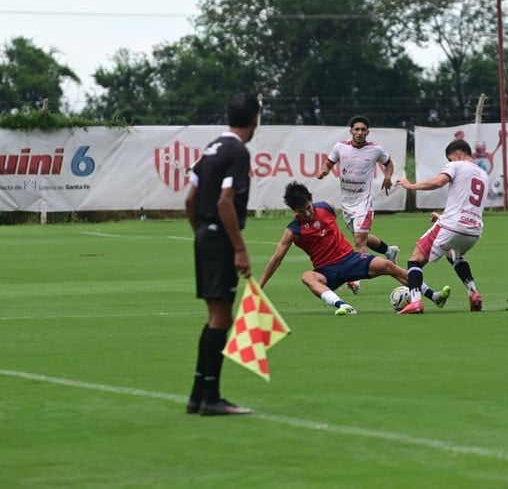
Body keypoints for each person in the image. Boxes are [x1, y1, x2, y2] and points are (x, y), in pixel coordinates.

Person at [259, 181, 449, 315]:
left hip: (351, 260)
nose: (308, 213)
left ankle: (434, 296)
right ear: (294, 211)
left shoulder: (326, 207)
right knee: (307, 277)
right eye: (302, 212)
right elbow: (276, 260)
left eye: (309, 207)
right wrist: (260, 286)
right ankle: (342, 306)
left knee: (387, 265)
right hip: (327, 272)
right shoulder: (293, 230)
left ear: (311, 199)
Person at [184, 93, 260, 417]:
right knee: (220, 318)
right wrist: (239, 248)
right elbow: (225, 201)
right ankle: (212, 399)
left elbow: (190, 199)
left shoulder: (211, 148)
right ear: (255, 119)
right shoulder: (237, 151)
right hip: (221, 240)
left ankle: (198, 396)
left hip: (205, 235)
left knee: (215, 317)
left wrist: (201, 233)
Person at [395, 138, 488, 314]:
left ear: (458, 154)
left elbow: (438, 182)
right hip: (473, 231)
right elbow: (467, 202)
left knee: (415, 260)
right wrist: (443, 217)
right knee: (453, 255)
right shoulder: (483, 174)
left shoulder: (456, 165)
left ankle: (415, 302)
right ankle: (473, 292)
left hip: (453, 226)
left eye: (450, 159)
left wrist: (411, 186)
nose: (449, 162)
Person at [316, 116, 400, 294]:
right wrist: (324, 171)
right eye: (357, 129)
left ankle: (355, 280)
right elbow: (329, 163)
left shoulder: (375, 149)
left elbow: (388, 163)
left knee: (359, 240)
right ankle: (389, 250)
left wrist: (387, 176)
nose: (360, 132)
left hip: (365, 201)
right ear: (351, 131)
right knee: (361, 236)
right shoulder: (340, 147)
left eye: (363, 130)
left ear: (368, 132)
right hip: (347, 202)